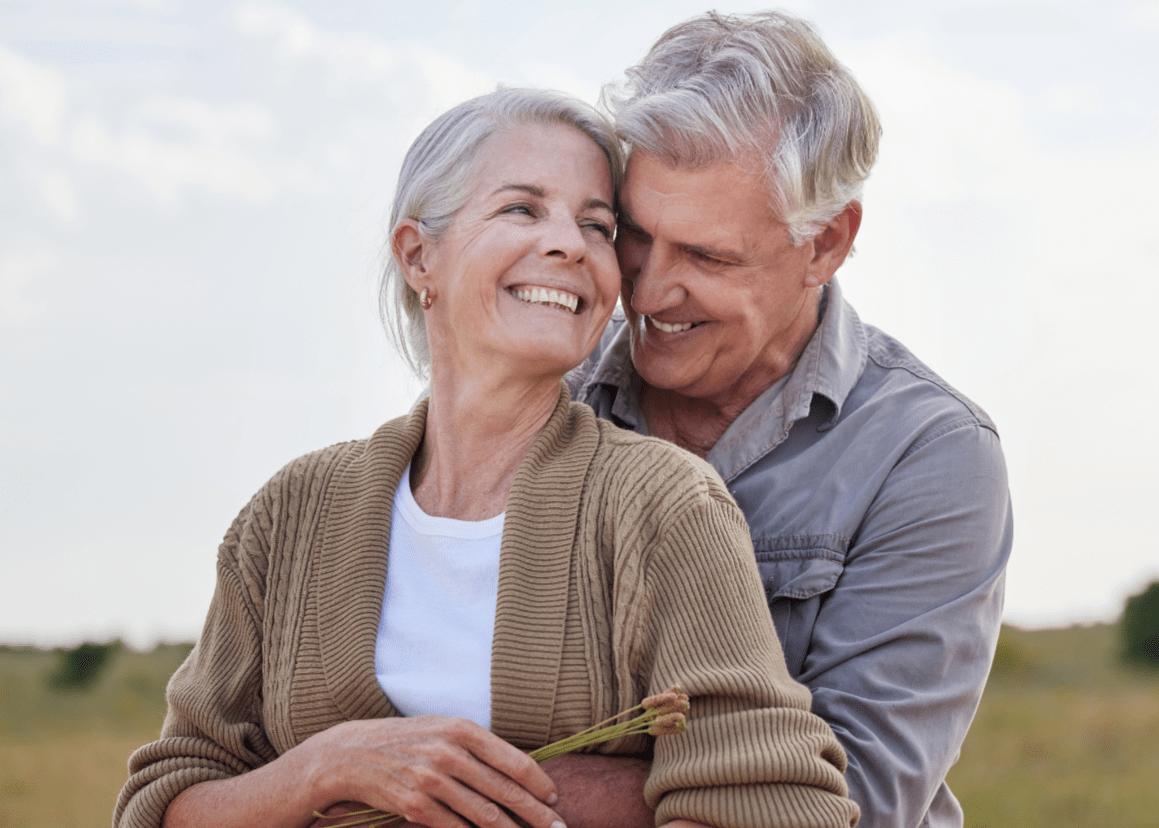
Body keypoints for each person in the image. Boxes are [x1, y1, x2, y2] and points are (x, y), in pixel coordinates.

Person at [112, 88, 860, 828]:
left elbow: (772, 804)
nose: (569, 243)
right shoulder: (292, 514)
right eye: (521, 209)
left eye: (596, 226)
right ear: (418, 256)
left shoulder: (662, 506)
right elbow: (170, 800)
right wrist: (324, 766)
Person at [556, 10, 1014, 828]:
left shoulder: (928, 455)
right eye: (635, 234)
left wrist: (493, 787)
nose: (649, 292)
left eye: (706, 256)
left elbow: (849, 802)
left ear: (825, 243)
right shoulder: (548, 396)